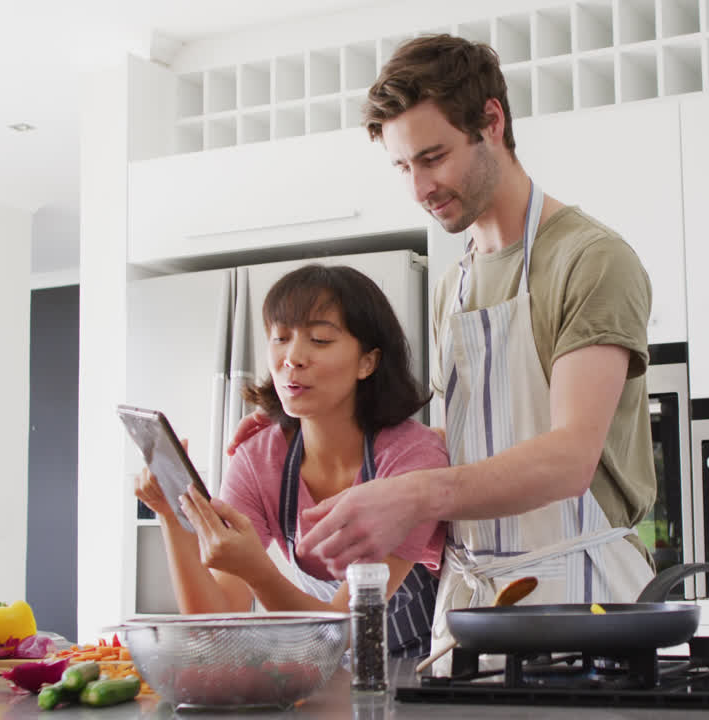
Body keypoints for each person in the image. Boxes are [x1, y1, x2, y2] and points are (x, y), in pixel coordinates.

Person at [227, 34, 657, 664]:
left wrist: (418, 494)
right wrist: (298, 421)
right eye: (403, 167)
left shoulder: (589, 259)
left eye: (434, 157)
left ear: (492, 122)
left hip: (583, 596)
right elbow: (465, 446)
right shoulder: (452, 283)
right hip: (473, 611)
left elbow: (570, 459)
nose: (420, 188)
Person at [136, 264, 447, 658]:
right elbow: (214, 625)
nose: (292, 357)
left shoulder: (411, 459)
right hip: (320, 673)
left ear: (368, 362)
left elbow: (347, 630)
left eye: (319, 339)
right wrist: (171, 514)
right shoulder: (257, 459)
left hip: (423, 673)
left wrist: (257, 571)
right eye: (280, 338)